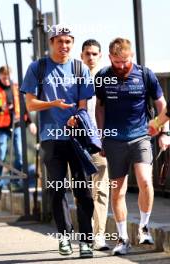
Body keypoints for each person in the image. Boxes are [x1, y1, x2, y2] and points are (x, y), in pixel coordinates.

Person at [21, 24, 94, 258]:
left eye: (68, 41)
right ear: (51, 42)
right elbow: (30, 104)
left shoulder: (79, 68)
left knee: (84, 192)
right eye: (60, 41)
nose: (64, 46)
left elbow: (83, 106)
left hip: (77, 138)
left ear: (73, 43)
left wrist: (75, 117)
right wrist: (52, 104)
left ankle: (85, 241)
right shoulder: (38, 68)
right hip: (51, 139)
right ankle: (64, 237)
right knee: (57, 190)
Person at [95, 37, 169, 255]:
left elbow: (162, 104)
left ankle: (143, 227)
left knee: (146, 180)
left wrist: (164, 132)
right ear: (110, 58)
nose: (121, 66)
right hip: (113, 139)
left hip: (141, 136)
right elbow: (99, 107)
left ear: (132, 57)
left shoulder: (145, 74)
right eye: (117, 63)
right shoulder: (102, 77)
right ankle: (122, 239)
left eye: (125, 62)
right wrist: (101, 136)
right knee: (117, 191)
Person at [81, 39, 109, 250]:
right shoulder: (74, 80)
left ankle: (99, 235)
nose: (91, 57)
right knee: (84, 189)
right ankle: (87, 231)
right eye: (87, 53)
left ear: (100, 56)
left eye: (94, 54)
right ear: (82, 56)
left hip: (100, 141)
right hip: (79, 141)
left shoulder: (107, 80)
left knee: (101, 188)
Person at [0, 66, 36, 198]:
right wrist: (1, 108)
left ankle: (14, 181)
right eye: (3, 77)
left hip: (17, 125)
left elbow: (24, 106)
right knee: (1, 155)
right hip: (1, 127)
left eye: (8, 77)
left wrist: (30, 123)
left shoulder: (17, 88)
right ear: (0, 76)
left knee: (20, 154)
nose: (6, 80)